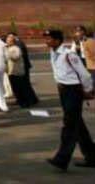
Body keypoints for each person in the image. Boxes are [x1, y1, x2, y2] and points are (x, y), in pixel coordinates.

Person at [43, 30, 95, 171]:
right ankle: (92, 156)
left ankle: (62, 159)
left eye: (49, 38)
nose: (46, 41)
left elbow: (84, 75)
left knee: (69, 125)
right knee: (78, 125)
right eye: (46, 38)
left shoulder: (69, 54)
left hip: (73, 90)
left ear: (58, 40)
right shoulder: (53, 52)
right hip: (63, 90)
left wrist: (88, 90)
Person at [6, 33, 32, 108]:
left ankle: (24, 102)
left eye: (8, 41)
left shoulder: (16, 48)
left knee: (19, 88)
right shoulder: (9, 49)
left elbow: (16, 57)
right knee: (15, 88)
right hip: (11, 71)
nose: (7, 42)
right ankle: (20, 100)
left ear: (12, 42)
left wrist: (8, 54)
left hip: (17, 71)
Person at [14, 34, 39, 106]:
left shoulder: (19, 44)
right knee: (26, 84)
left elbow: (20, 56)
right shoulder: (20, 43)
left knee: (25, 84)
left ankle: (30, 100)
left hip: (23, 67)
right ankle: (32, 99)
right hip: (24, 66)